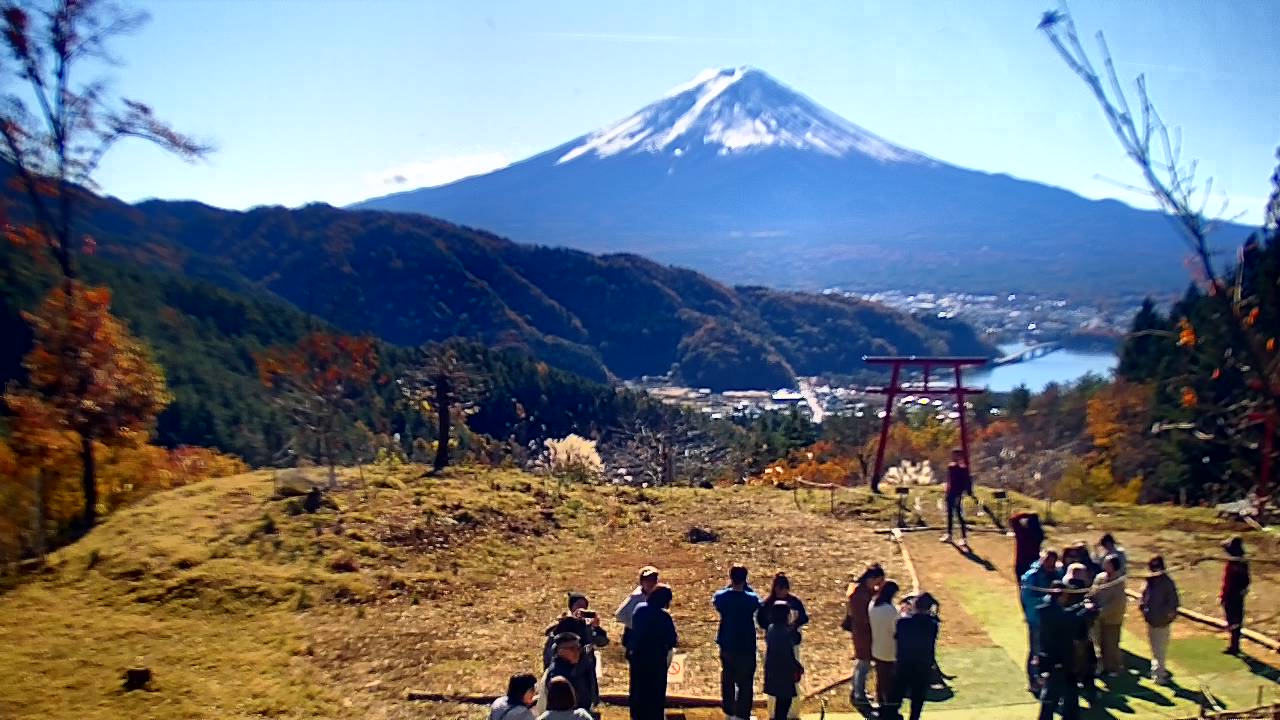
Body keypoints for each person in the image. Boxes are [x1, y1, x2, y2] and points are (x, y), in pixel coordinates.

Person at [1037, 581, 1097, 720]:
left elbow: (1068, 614)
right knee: (1057, 696)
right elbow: (1070, 619)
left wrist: (1082, 606)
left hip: (1056, 660)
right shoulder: (1052, 613)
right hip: (1058, 661)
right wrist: (1086, 610)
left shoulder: (1047, 609)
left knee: (1064, 695)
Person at [543, 593, 608, 714]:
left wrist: (597, 627)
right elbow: (549, 654)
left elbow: (602, 641)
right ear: (571, 607)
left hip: (586, 672)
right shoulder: (562, 624)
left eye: (585, 606)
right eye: (579, 606)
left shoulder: (587, 626)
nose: (582, 609)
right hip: (566, 674)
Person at [758, 572, 809, 720]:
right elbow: (761, 621)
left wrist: (795, 624)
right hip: (782, 658)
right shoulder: (769, 607)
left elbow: (803, 618)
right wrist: (796, 666)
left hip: (783, 651)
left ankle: (791, 714)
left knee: (785, 694)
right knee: (782, 695)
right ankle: (776, 715)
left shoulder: (793, 603)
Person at [714, 564, 761, 720]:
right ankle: (742, 714)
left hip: (727, 644)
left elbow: (718, 601)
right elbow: (757, 603)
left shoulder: (721, 597)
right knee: (745, 682)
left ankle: (729, 711)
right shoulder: (751, 599)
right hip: (746, 645)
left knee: (728, 678)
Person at [628, 584, 677, 720]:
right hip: (656, 659)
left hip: (638, 657)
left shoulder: (639, 610)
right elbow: (672, 639)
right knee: (655, 692)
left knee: (638, 689)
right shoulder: (664, 617)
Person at [891, 593, 940, 720]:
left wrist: (905, 611)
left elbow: (897, 636)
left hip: (904, 663)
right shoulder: (932, 624)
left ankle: (892, 715)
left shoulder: (903, 623)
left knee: (897, 693)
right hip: (923, 664)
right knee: (918, 697)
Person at [846, 563, 886, 706]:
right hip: (863, 633)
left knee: (863, 663)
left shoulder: (865, 591)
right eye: (879, 581)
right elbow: (862, 616)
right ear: (872, 579)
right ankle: (859, 693)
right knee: (864, 663)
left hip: (866, 632)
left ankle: (857, 690)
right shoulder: (859, 593)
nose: (879, 585)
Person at [1020, 550, 1060, 692]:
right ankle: (1033, 681)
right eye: (1048, 561)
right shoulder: (1032, 577)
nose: (1051, 565)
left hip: (1053, 620)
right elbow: (1028, 600)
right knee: (1035, 650)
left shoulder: (1057, 573)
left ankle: (1046, 679)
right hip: (1036, 620)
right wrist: (1048, 598)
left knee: (1049, 650)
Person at [1139, 555, 1179, 684]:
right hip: (1152, 620)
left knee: (1159, 649)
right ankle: (1157, 672)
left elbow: (1173, 603)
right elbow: (1143, 598)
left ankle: (1159, 675)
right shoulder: (1151, 581)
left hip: (1160, 621)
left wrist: (1167, 616)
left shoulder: (1166, 582)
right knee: (1156, 649)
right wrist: (1144, 610)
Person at [535, 633, 594, 718]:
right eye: (572, 649)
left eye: (578, 648)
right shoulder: (557, 673)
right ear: (559, 650)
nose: (577, 652)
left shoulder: (575, 667)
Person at [764, 601, 804, 720]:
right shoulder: (784, 632)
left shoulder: (771, 629)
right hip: (784, 673)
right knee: (784, 704)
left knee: (780, 705)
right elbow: (789, 651)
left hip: (773, 671)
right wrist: (797, 667)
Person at [1090, 554, 1126, 677]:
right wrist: (1090, 603)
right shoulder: (1100, 578)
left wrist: (1100, 612)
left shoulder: (1119, 581)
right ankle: (1102, 666)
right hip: (1098, 618)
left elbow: (1117, 603)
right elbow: (1093, 592)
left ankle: (1113, 668)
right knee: (1098, 643)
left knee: (1111, 644)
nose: (1104, 564)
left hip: (1112, 618)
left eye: (1107, 563)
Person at [870, 580, 900, 714]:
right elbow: (896, 630)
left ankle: (881, 703)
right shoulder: (890, 611)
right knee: (890, 681)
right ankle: (889, 707)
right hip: (889, 650)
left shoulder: (872, 605)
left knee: (881, 679)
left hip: (877, 647)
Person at [616, 566, 660, 651]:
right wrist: (636, 626)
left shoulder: (659, 595)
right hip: (634, 638)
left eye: (653, 580)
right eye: (647, 580)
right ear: (642, 582)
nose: (650, 583)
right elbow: (620, 614)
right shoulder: (636, 597)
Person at [1221, 536, 1250, 655]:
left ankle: (1235, 646)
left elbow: (1243, 581)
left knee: (1235, 620)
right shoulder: (1237, 561)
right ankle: (1234, 644)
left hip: (1234, 596)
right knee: (1233, 619)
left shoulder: (1239, 564)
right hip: (1231, 595)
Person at [940, 449, 975, 548]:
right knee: (950, 514)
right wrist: (946, 491)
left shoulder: (963, 469)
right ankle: (949, 535)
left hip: (957, 494)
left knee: (959, 515)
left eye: (956, 456)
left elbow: (965, 482)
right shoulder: (951, 467)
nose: (954, 457)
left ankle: (964, 538)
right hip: (950, 493)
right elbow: (949, 481)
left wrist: (963, 493)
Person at [1011, 511, 1045, 579]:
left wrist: (1026, 515)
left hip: (1021, 561)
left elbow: (1013, 520)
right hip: (1034, 562)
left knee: (1021, 583)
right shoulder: (1039, 534)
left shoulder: (1022, 533)